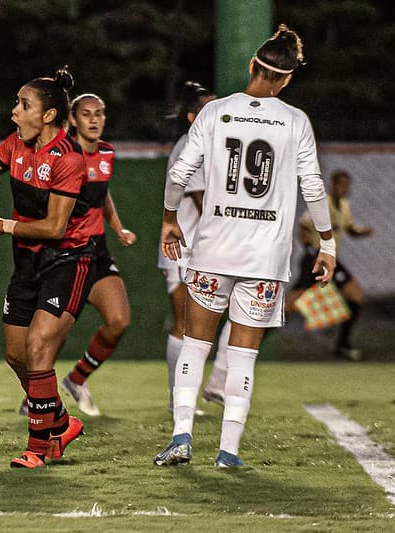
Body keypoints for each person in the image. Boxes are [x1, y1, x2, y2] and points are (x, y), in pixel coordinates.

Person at [154, 24, 336, 468]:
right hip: (264, 259)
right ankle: (228, 451)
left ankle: (181, 436)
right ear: (288, 78)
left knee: (196, 344)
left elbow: (180, 175)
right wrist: (328, 243)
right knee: (242, 354)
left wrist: (169, 220)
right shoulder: (296, 122)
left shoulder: (216, 112)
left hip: (214, 249)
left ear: (253, 65)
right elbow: (312, 185)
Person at [0, 67, 89, 469]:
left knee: (39, 349)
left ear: (47, 116)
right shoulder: (16, 145)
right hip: (26, 262)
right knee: (15, 354)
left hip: (66, 261)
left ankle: (37, 447)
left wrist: (3, 225)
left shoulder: (69, 158)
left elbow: (57, 228)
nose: (14, 112)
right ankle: (59, 423)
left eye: (23, 105)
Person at [57, 93, 136, 417]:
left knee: (119, 321)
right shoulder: (61, 153)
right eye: (86, 114)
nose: (93, 119)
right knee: (52, 335)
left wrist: (118, 227)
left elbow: (101, 195)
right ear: (73, 119)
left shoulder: (106, 152)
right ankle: (38, 392)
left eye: (99, 114)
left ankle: (76, 379)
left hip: (96, 250)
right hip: (62, 253)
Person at [158, 81, 230, 412]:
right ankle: (177, 398)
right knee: (184, 324)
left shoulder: (217, 147)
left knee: (215, 321)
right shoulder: (190, 145)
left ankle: (209, 386)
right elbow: (203, 202)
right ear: (192, 117)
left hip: (204, 249)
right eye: (207, 108)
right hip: (183, 247)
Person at [288, 170, 373, 360]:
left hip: (332, 260)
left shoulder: (344, 206)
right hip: (315, 257)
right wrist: (310, 249)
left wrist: (362, 232)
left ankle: (342, 345)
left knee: (355, 295)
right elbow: (303, 227)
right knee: (292, 302)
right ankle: (261, 334)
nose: (344, 188)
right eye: (341, 184)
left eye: (347, 185)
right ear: (333, 184)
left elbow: (350, 229)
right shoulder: (321, 203)